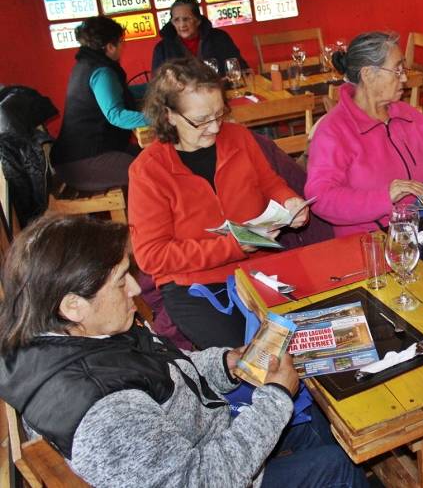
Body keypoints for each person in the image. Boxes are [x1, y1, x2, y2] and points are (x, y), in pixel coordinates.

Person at [0, 214, 368, 488]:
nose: (135, 289)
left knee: (316, 421)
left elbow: (162, 371)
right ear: (72, 305)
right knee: (335, 463)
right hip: (210, 470)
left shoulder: (71, 335)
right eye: (119, 282)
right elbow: (203, 480)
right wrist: (273, 399)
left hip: (203, 431)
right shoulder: (105, 417)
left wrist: (225, 363)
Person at [128, 58, 310, 349]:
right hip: (194, 284)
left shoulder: (237, 137)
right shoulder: (149, 170)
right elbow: (152, 255)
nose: (214, 128)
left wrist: (288, 200)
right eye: (200, 120)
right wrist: (232, 247)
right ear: (168, 115)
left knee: (310, 332)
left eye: (219, 115)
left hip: (258, 266)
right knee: (252, 355)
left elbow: (268, 182)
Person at [305, 32, 423, 236]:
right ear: (368, 75)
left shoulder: (411, 117)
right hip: (370, 242)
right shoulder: (334, 131)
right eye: (397, 70)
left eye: (403, 69)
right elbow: (321, 198)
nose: (404, 77)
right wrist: (385, 196)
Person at [51, 16, 147, 191]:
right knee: (152, 171)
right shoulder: (102, 71)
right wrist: (162, 116)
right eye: (121, 42)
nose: (122, 46)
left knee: (153, 158)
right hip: (83, 162)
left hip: (77, 156)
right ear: (110, 46)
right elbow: (117, 116)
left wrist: (153, 87)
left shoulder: (86, 64)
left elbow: (118, 93)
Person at [151, 0, 246, 75]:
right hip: (181, 98)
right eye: (176, 20)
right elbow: (157, 85)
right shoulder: (162, 49)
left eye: (186, 19)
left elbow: (239, 68)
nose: (182, 25)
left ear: (198, 21)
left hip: (220, 93)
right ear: (172, 23)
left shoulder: (220, 38)